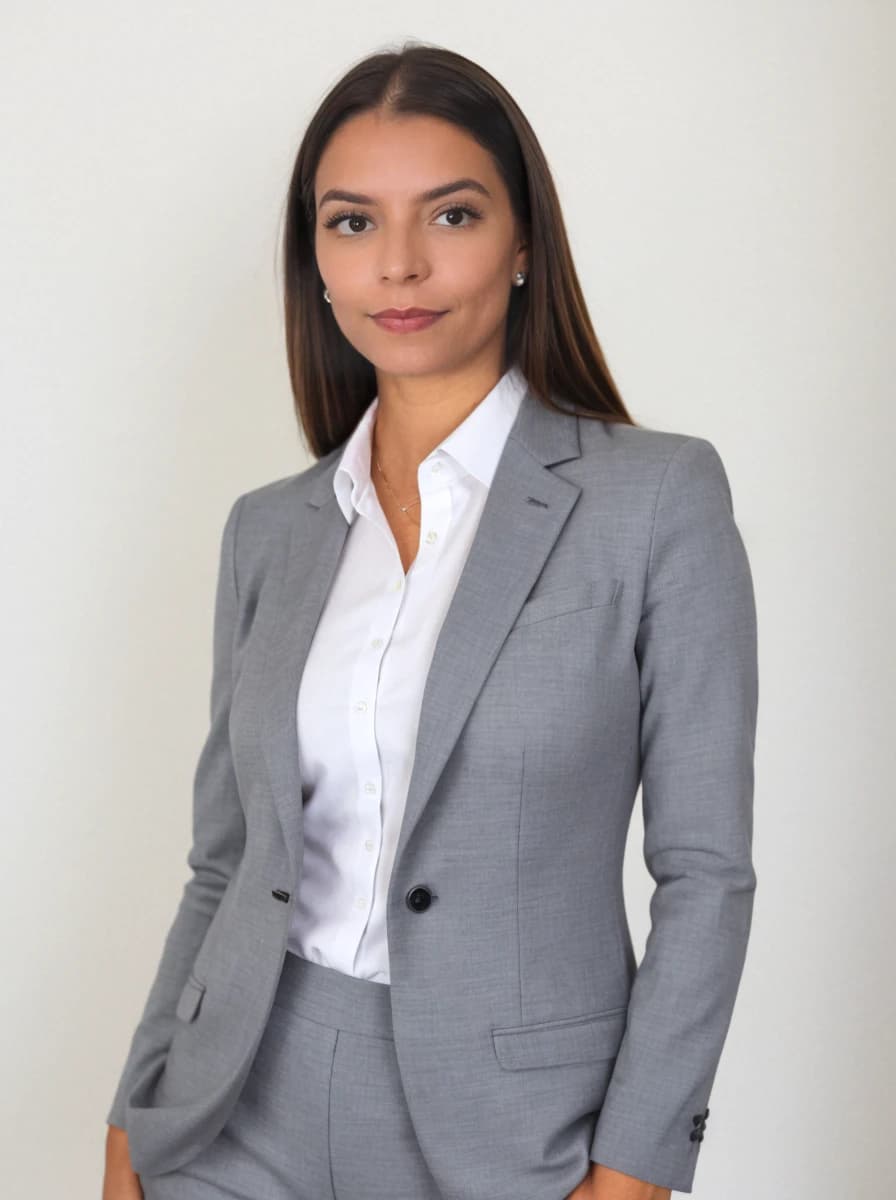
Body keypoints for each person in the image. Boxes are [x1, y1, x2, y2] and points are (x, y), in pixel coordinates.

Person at [103, 41, 758, 1200]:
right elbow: (225, 860)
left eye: (448, 216)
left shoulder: (653, 499)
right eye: (351, 224)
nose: (397, 267)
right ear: (314, 259)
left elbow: (703, 873)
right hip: (231, 1104)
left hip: (505, 1133)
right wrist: (134, 1114)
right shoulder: (271, 529)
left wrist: (634, 1171)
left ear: (521, 246)